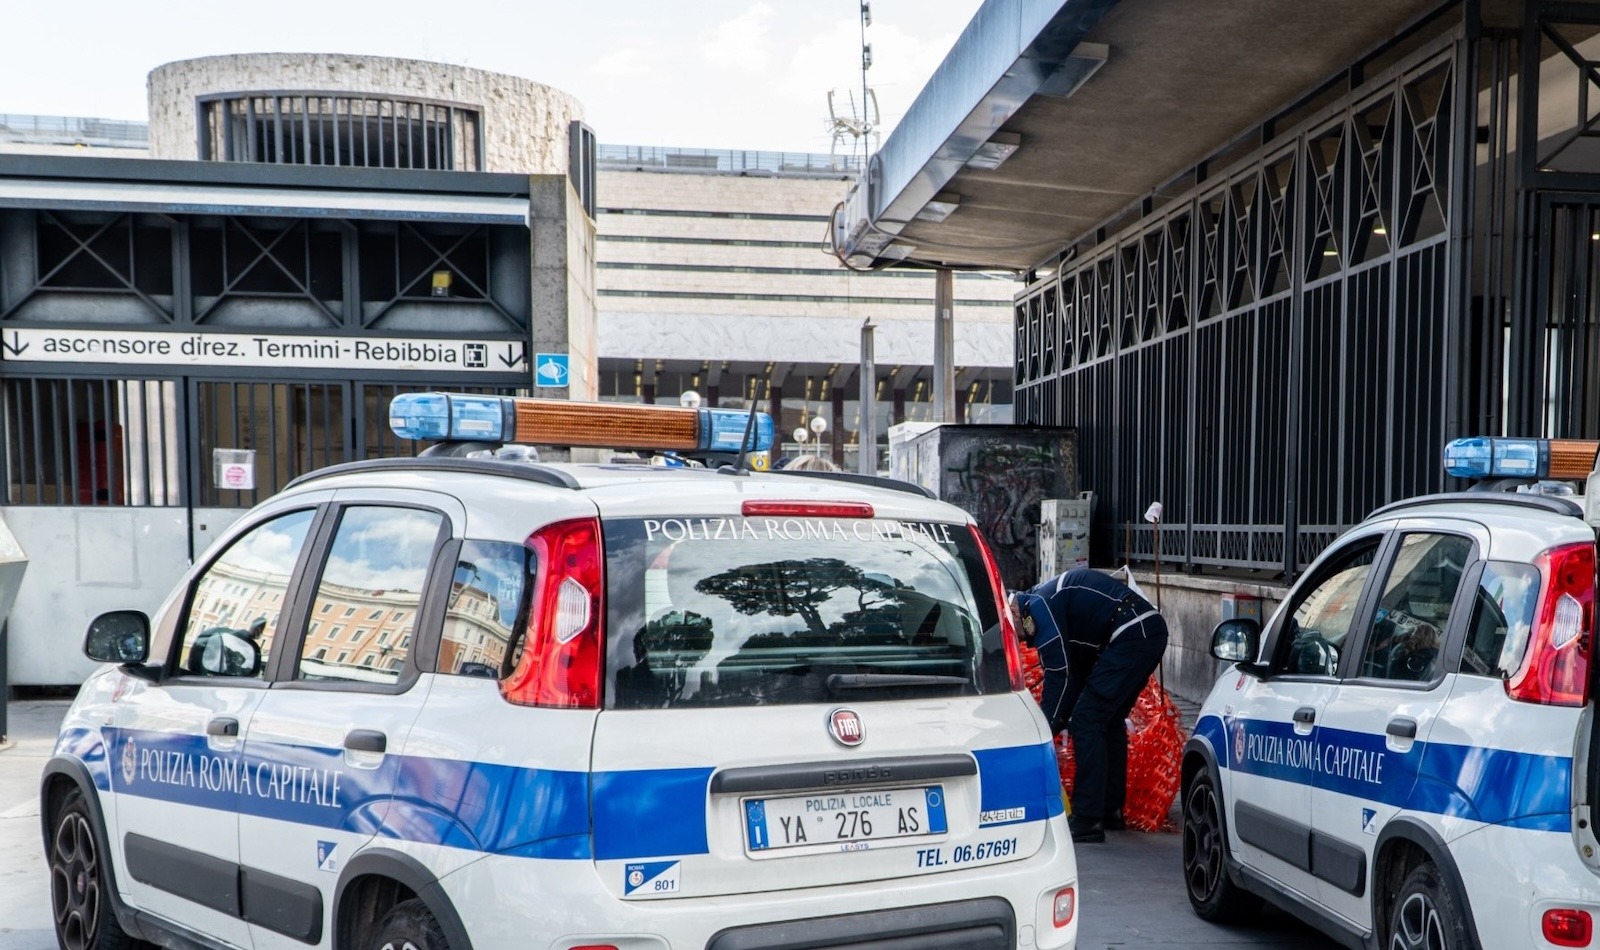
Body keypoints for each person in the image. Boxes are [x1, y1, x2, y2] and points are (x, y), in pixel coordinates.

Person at [1010, 567, 1168, 843]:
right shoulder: (1045, 605)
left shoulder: (1039, 606)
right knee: (1105, 720)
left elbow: (1060, 672)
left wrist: (1046, 727)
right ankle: (1108, 810)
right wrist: (1058, 718)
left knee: (1087, 719)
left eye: (1017, 636)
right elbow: (1075, 674)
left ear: (1014, 615)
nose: (1023, 642)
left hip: (1133, 631)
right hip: (1143, 631)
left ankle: (1087, 819)